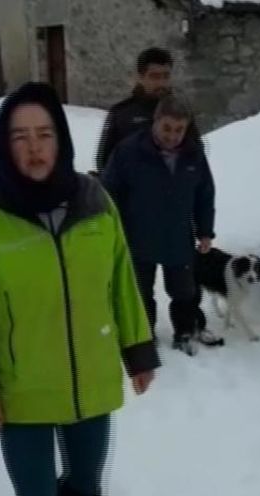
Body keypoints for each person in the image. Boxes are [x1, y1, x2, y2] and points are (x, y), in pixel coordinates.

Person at [0, 82, 160, 496]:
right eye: (20, 136)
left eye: (44, 134)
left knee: (86, 481)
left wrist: (139, 350)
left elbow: (121, 282)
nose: (34, 146)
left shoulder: (95, 203)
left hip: (89, 380)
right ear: (4, 146)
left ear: (61, 140)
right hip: (21, 389)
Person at [100, 93, 217, 356]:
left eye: (179, 129)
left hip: (178, 236)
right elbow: (109, 193)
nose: (172, 135)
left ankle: (184, 332)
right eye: (167, 127)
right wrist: (111, 230)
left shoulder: (193, 155)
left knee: (184, 291)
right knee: (141, 292)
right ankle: (144, 334)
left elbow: (204, 194)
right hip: (137, 235)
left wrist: (205, 231)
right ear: (155, 121)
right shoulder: (129, 151)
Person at [94, 47, 203, 174]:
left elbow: (197, 156)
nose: (161, 83)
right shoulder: (121, 114)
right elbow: (104, 162)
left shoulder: (181, 112)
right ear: (140, 77)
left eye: (166, 76)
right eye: (155, 77)